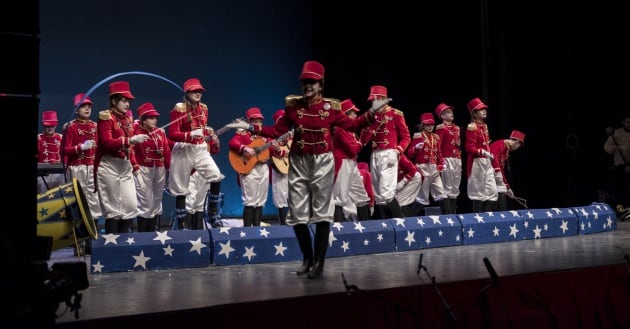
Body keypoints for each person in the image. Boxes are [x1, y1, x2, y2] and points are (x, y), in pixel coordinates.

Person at [229, 60, 381, 279]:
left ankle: (319, 263)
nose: (308, 86)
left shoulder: (331, 110)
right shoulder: (293, 109)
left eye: (312, 82)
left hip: (322, 162)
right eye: (304, 82)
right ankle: (307, 258)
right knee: (298, 215)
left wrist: (370, 115)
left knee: (322, 214)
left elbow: (353, 125)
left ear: (321, 84)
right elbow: (276, 131)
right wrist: (251, 128)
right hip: (299, 162)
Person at [167, 78, 226, 230]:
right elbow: (172, 134)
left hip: (199, 148)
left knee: (216, 175)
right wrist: (189, 135)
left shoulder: (204, 108)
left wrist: (210, 138)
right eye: (194, 91)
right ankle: (182, 223)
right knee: (181, 187)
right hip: (184, 148)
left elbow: (202, 129)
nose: (198, 93)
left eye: (200, 91)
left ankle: (213, 213)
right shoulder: (179, 109)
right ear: (187, 93)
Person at [95, 81, 149, 234]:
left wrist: (136, 169)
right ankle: (112, 246)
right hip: (109, 165)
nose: (127, 104)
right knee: (113, 209)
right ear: (114, 101)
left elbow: (130, 150)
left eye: (128, 101)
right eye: (124, 100)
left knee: (130, 206)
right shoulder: (106, 117)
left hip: (125, 166)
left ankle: (124, 244)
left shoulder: (128, 120)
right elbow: (106, 143)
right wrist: (130, 140)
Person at [359, 85, 410, 220]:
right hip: (375, 155)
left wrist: (397, 151)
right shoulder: (372, 116)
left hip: (389, 154)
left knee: (387, 192)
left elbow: (406, 137)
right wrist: (367, 126)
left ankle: (401, 223)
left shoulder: (395, 114)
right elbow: (364, 141)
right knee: (379, 196)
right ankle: (386, 225)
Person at [228, 107, 275, 227]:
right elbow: (233, 143)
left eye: (259, 121)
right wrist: (244, 148)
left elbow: (271, 149)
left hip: (263, 168)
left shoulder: (265, 136)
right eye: (254, 121)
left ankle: (257, 229)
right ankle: (248, 230)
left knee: (260, 201)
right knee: (250, 200)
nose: (257, 123)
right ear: (249, 122)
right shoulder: (243, 133)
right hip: (249, 169)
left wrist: (276, 148)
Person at [132, 102, 171, 232]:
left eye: (155, 117)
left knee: (156, 201)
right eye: (151, 117)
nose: (155, 120)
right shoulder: (135, 131)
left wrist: (169, 169)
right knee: (145, 202)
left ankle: (152, 234)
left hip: (159, 169)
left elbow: (166, 151)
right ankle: (143, 235)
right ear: (143, 119)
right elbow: (130, 149)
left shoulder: (160, 132)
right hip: (143, 169)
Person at [332, 99, 371, 222]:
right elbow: (353, 149)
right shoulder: (340, 128)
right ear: (346, 114)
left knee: (361, 195)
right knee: (340, 198)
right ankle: (337, 230)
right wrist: (363, 141)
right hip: (343, 163)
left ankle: (366, 229)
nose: (355, 115)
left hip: (351, 163)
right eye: (353, 113)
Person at [406, 112, 452, 214]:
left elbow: (438, 152)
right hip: (422, 168)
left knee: (442, 193)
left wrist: (443, 162)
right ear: (423, 125)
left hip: (434, 168)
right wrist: (416, 148)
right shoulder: (418, 136)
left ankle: (450, 218)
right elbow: (409, 154)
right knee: (423, 197)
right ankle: (409, 220)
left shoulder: (436, 137)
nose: (430, 127)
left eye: (431, 124)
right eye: (427, 125)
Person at [464, 97, 497, 212]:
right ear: (474, 113)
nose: (484, 111)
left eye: (484, 109)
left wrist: (488, 153)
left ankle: (486, 217)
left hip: (486, 161)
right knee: (478, 192)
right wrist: (482, 151)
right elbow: (469, 148)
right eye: (480, 110)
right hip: (477, 162)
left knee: (491, 190)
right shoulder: (472, 127)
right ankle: (477, 218)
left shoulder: (484, 126)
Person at [434, 102, 462, 213]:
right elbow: (437, 146)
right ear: (442, 116)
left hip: (457, 158)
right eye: (448, 112)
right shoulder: (441, 128)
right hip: (447, 159)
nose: (451, 114)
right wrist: (441, 161)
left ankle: (453, 214)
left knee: (455, 186)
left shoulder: (457, 128)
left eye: (451, 112)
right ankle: (447, 215)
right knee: (447, 187)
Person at [490, 130, 525, 211]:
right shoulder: (500, 144)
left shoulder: (506, 150)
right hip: (488, 178)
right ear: (517, 142)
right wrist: (498, 172)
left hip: (495, 178)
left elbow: (501, 171)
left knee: (502, 195)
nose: (518, 148)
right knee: (499, 197)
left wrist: (507, 187)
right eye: (519, 145)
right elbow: (494, 161)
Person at [604, 114, 630, 220]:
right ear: (623, 122)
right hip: (620, 167)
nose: (629, 124)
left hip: (629, 166)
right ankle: (622, 211)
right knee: (621, 190)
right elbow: (606, 147)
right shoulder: (617, 133)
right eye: (628, 122)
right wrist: (614, 148)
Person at [269, 109, 290, 225]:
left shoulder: (292, 136)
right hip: (280, 169)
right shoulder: (272, 135)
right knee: (280, 196)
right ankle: (283, 224)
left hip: (292, 170)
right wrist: (280, 152)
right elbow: (269, 149)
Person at [37, 110, 65, 194]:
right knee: (42, 196)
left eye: (52, 126)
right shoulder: (39, 138)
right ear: (43, 125)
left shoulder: (61, 137)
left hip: (58, 172)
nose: (50, 128)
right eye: (47, 126)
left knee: (60, 195)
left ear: (56, 125)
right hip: (43, 172)